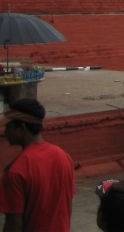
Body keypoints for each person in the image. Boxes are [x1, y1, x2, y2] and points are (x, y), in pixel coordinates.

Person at [0, 99, 76, 232]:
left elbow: (13, 224)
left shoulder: (16, 172)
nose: (5, 131)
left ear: (21, 128)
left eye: (8, 126)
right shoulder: (63, 156)